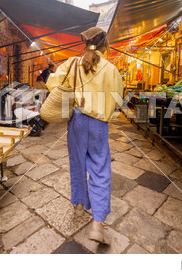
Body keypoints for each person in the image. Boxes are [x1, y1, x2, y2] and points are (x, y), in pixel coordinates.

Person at [46, 27, 123, 244]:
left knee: (77, 163)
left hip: (76, 120)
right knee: (99, 168)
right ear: (104, 44)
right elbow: (118, 100)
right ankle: (97, 225)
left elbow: (52, 83)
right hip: (98, 123)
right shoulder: (111, 69)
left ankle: (79, 206)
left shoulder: (72, 63)